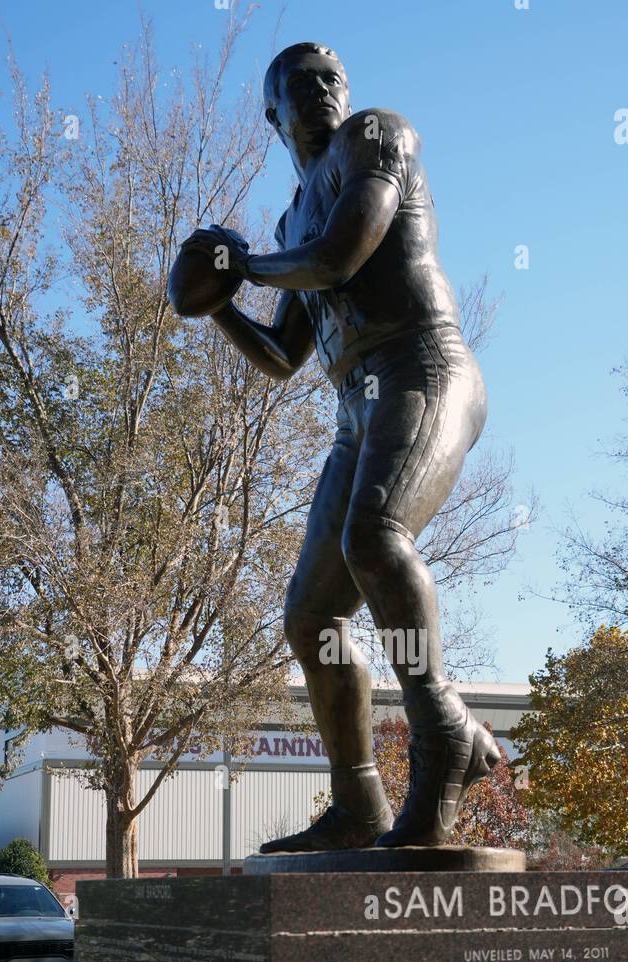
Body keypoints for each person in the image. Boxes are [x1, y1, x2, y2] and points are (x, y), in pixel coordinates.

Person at [180, 42, 499, 851]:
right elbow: (284, 358)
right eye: (302, 84)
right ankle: (359, 804)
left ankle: (444, 733)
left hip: (424, 368)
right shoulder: (290, 217)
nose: (324, 91)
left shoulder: (375, 138)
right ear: (273, 113)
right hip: (356, 408)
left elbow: (340, 256)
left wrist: (241, 263)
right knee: (312, 613)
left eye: (333, 79)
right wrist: (219, 303)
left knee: (375, 538)